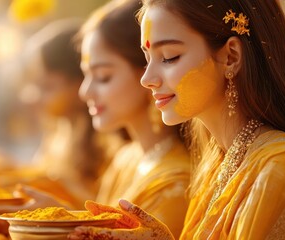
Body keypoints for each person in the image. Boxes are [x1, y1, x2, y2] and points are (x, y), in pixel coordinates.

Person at [68, 0, 285, 239]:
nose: (147, 79)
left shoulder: (280, 168)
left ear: (230, 56)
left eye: (169, 57)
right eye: (147, 58)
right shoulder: (219, 163)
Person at [74, 0, 190, 238]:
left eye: (103, 77)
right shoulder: (127, 158)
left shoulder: (175, 182)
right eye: (86, 76)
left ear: (147, 74)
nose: (85, 92)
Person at [13, 18, 120, 209]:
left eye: (47, 87)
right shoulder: (59, 131)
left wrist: (60, 188)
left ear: (79, 82)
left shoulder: (107, 141)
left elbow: (105, 213)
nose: (33, 96)